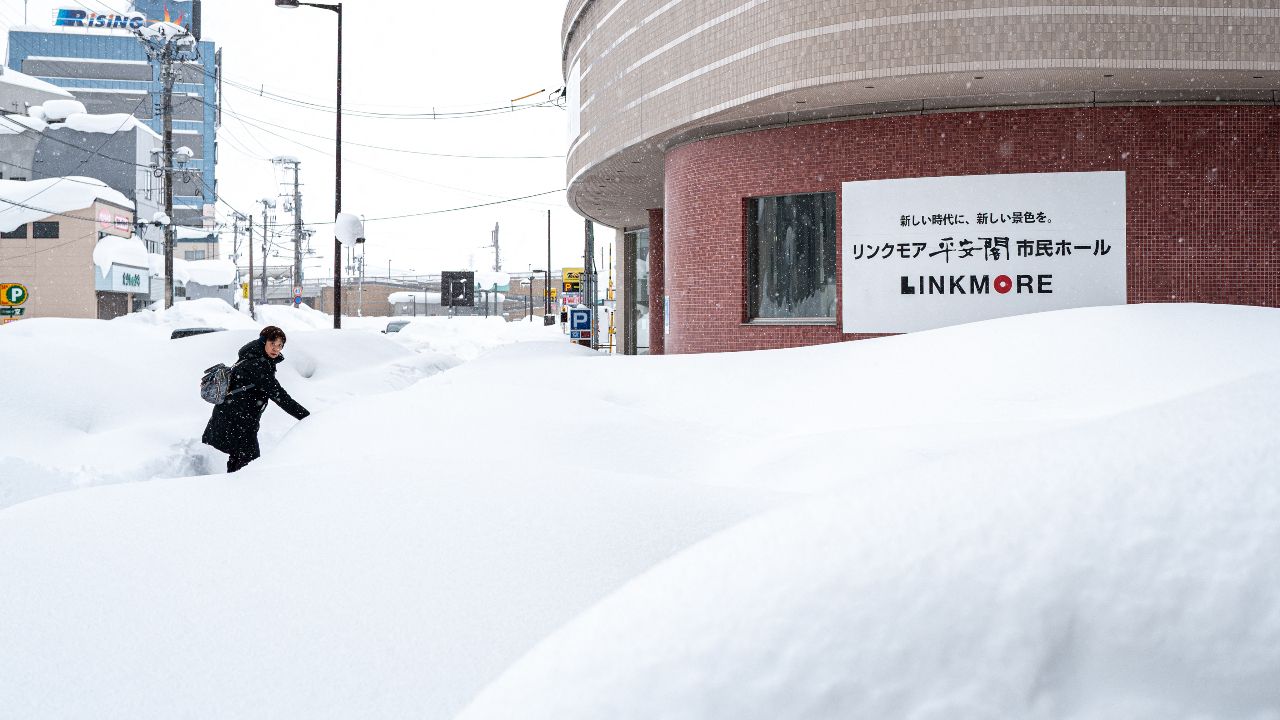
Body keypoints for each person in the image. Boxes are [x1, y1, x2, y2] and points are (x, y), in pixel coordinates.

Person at [202, 325, 310, 473]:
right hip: (236, 421)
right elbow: (280, 396)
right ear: (263, 341)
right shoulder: (256, 364)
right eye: (272, 344)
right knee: (250, 465)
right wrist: (308, 418)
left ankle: (230, 489)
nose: (276, 349)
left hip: (236, 418)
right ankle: (238, 491)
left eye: (280, 345)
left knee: (239, 460)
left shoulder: (257, 358)